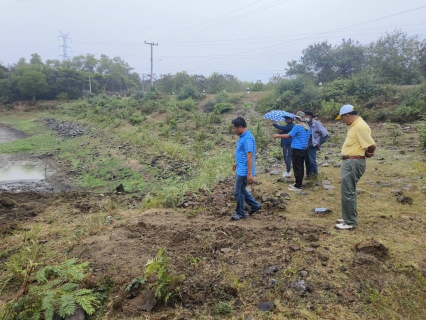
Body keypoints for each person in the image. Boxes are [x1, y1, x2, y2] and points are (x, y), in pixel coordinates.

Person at [335, 105, 376, 230]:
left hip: (353, 162)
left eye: (342, 118)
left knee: (348, 191)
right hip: (350, 162)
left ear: (347, 115)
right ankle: (348, 217)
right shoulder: (354, 125)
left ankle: (350, 222)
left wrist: (369, 153)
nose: (342, 121)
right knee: (347, 190)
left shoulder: (359, 126)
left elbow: (372, 145)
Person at [230, 117, 261, 221]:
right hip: (241, 167)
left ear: (240, 127)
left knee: (237, 192)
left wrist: (249, 174)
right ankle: (255, 205)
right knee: (241, 189)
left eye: (234, 128)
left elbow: (249, 156)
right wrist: (236, 162)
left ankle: (240, 213)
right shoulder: (242, 136)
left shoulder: (247, 138)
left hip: (244, 171)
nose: (234, 131)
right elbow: (241, 153)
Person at [273, 111, 311, 192]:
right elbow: (307, 139)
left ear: (299, 118)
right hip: (303, 149)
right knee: (300, 167)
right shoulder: (307, 127)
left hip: (297, 149)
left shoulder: (297, 127)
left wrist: (278, 135)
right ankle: (298, 183)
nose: (295, 119)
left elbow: (288, 136)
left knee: (297, 168)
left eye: (296, 118)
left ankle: (298, 186)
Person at [304, 110, 328, 178]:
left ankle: (315, 176)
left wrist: (319, 143)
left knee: (312, 161)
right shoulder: (305, 124)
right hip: (305, 145)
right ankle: (308, 175)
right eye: (305, 116)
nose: (306, 117)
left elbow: (325, 134)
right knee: (307, 161)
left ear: (311, 117)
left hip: (312, 145)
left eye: (307, 115)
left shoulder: (317, 124)